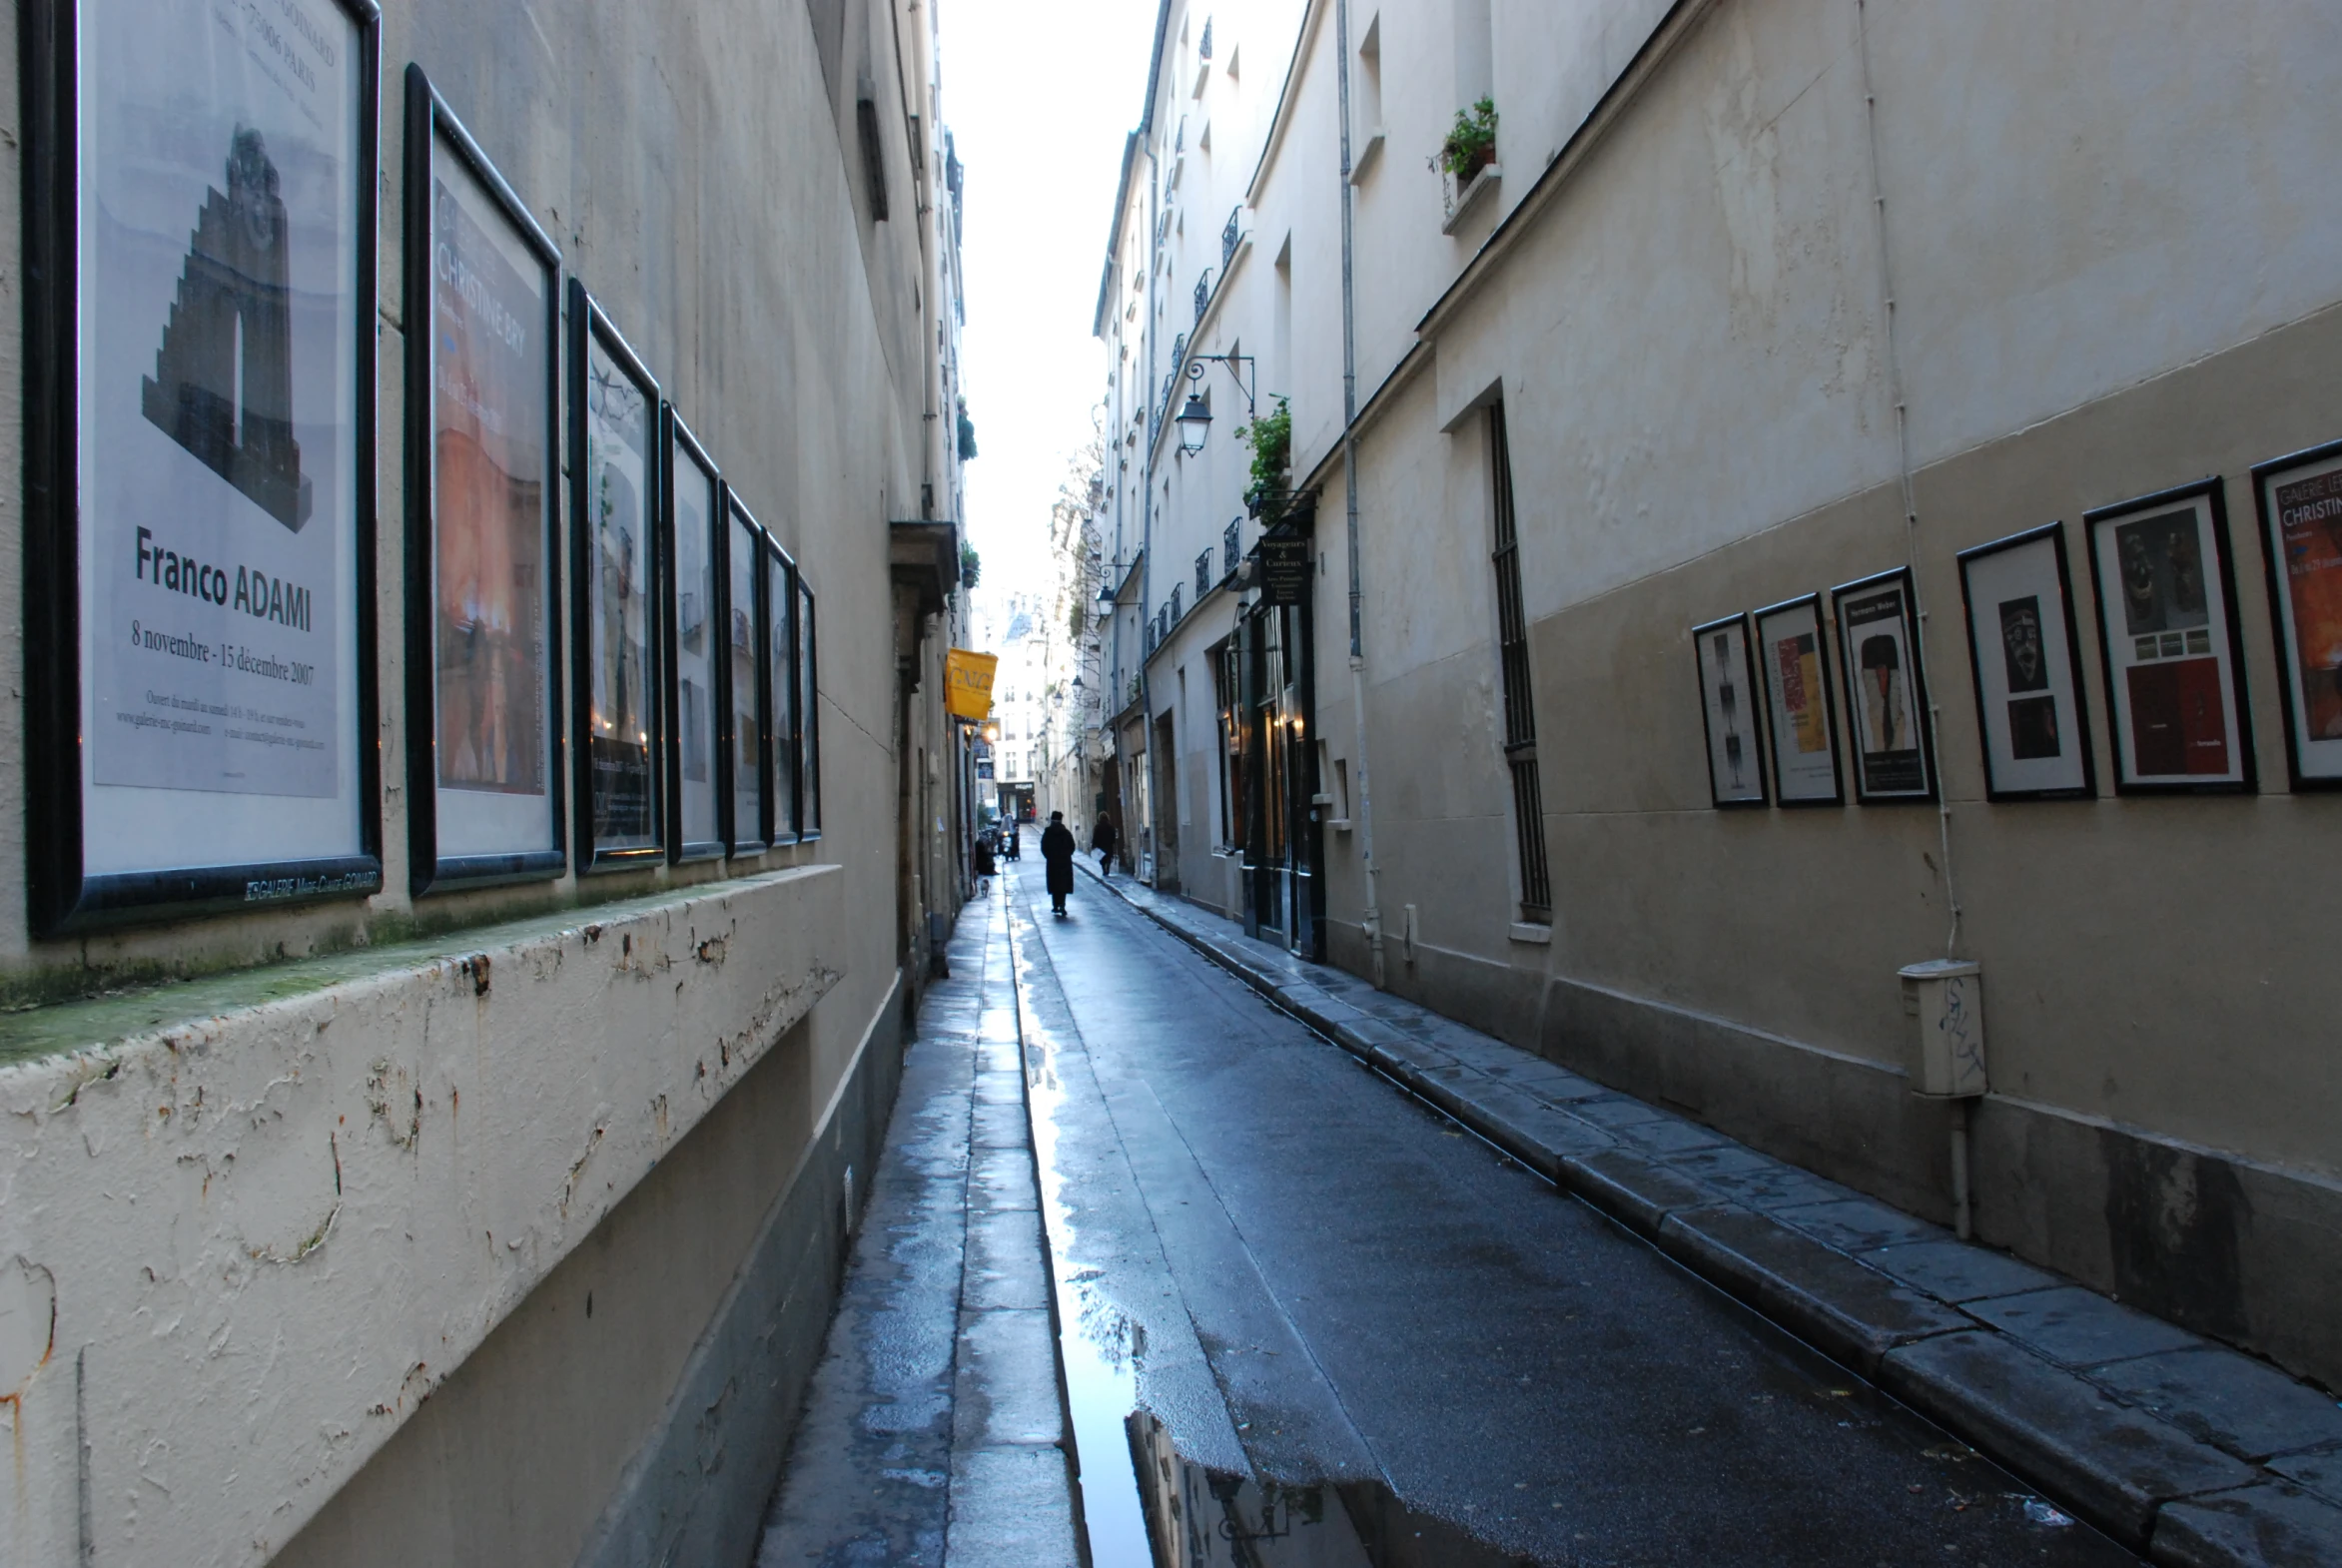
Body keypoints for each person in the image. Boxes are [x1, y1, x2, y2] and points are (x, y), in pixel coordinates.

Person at [1041, 810, 1078, 918]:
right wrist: (1067, 855)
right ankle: (1062, 904)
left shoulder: (1048, 832)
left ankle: (1055, 905)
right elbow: (1072, 846)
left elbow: (1043, 847)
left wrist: (1049, 856)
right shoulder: (1066, 832)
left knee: (1054, 883)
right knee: (1063, 884)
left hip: (1052, 862)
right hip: (1064, 862)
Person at [1092, 813, 1119, 879]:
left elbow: (1095, 837)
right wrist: (1113, 843)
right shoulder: (1110, 826)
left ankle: (1104, 869)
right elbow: (1113, 836)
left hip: (1100, 846)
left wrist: (1093, 845)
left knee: (1102, 859)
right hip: (1109, 845)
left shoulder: (1097, 827)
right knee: (1108, 858)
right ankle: (1108, 868)